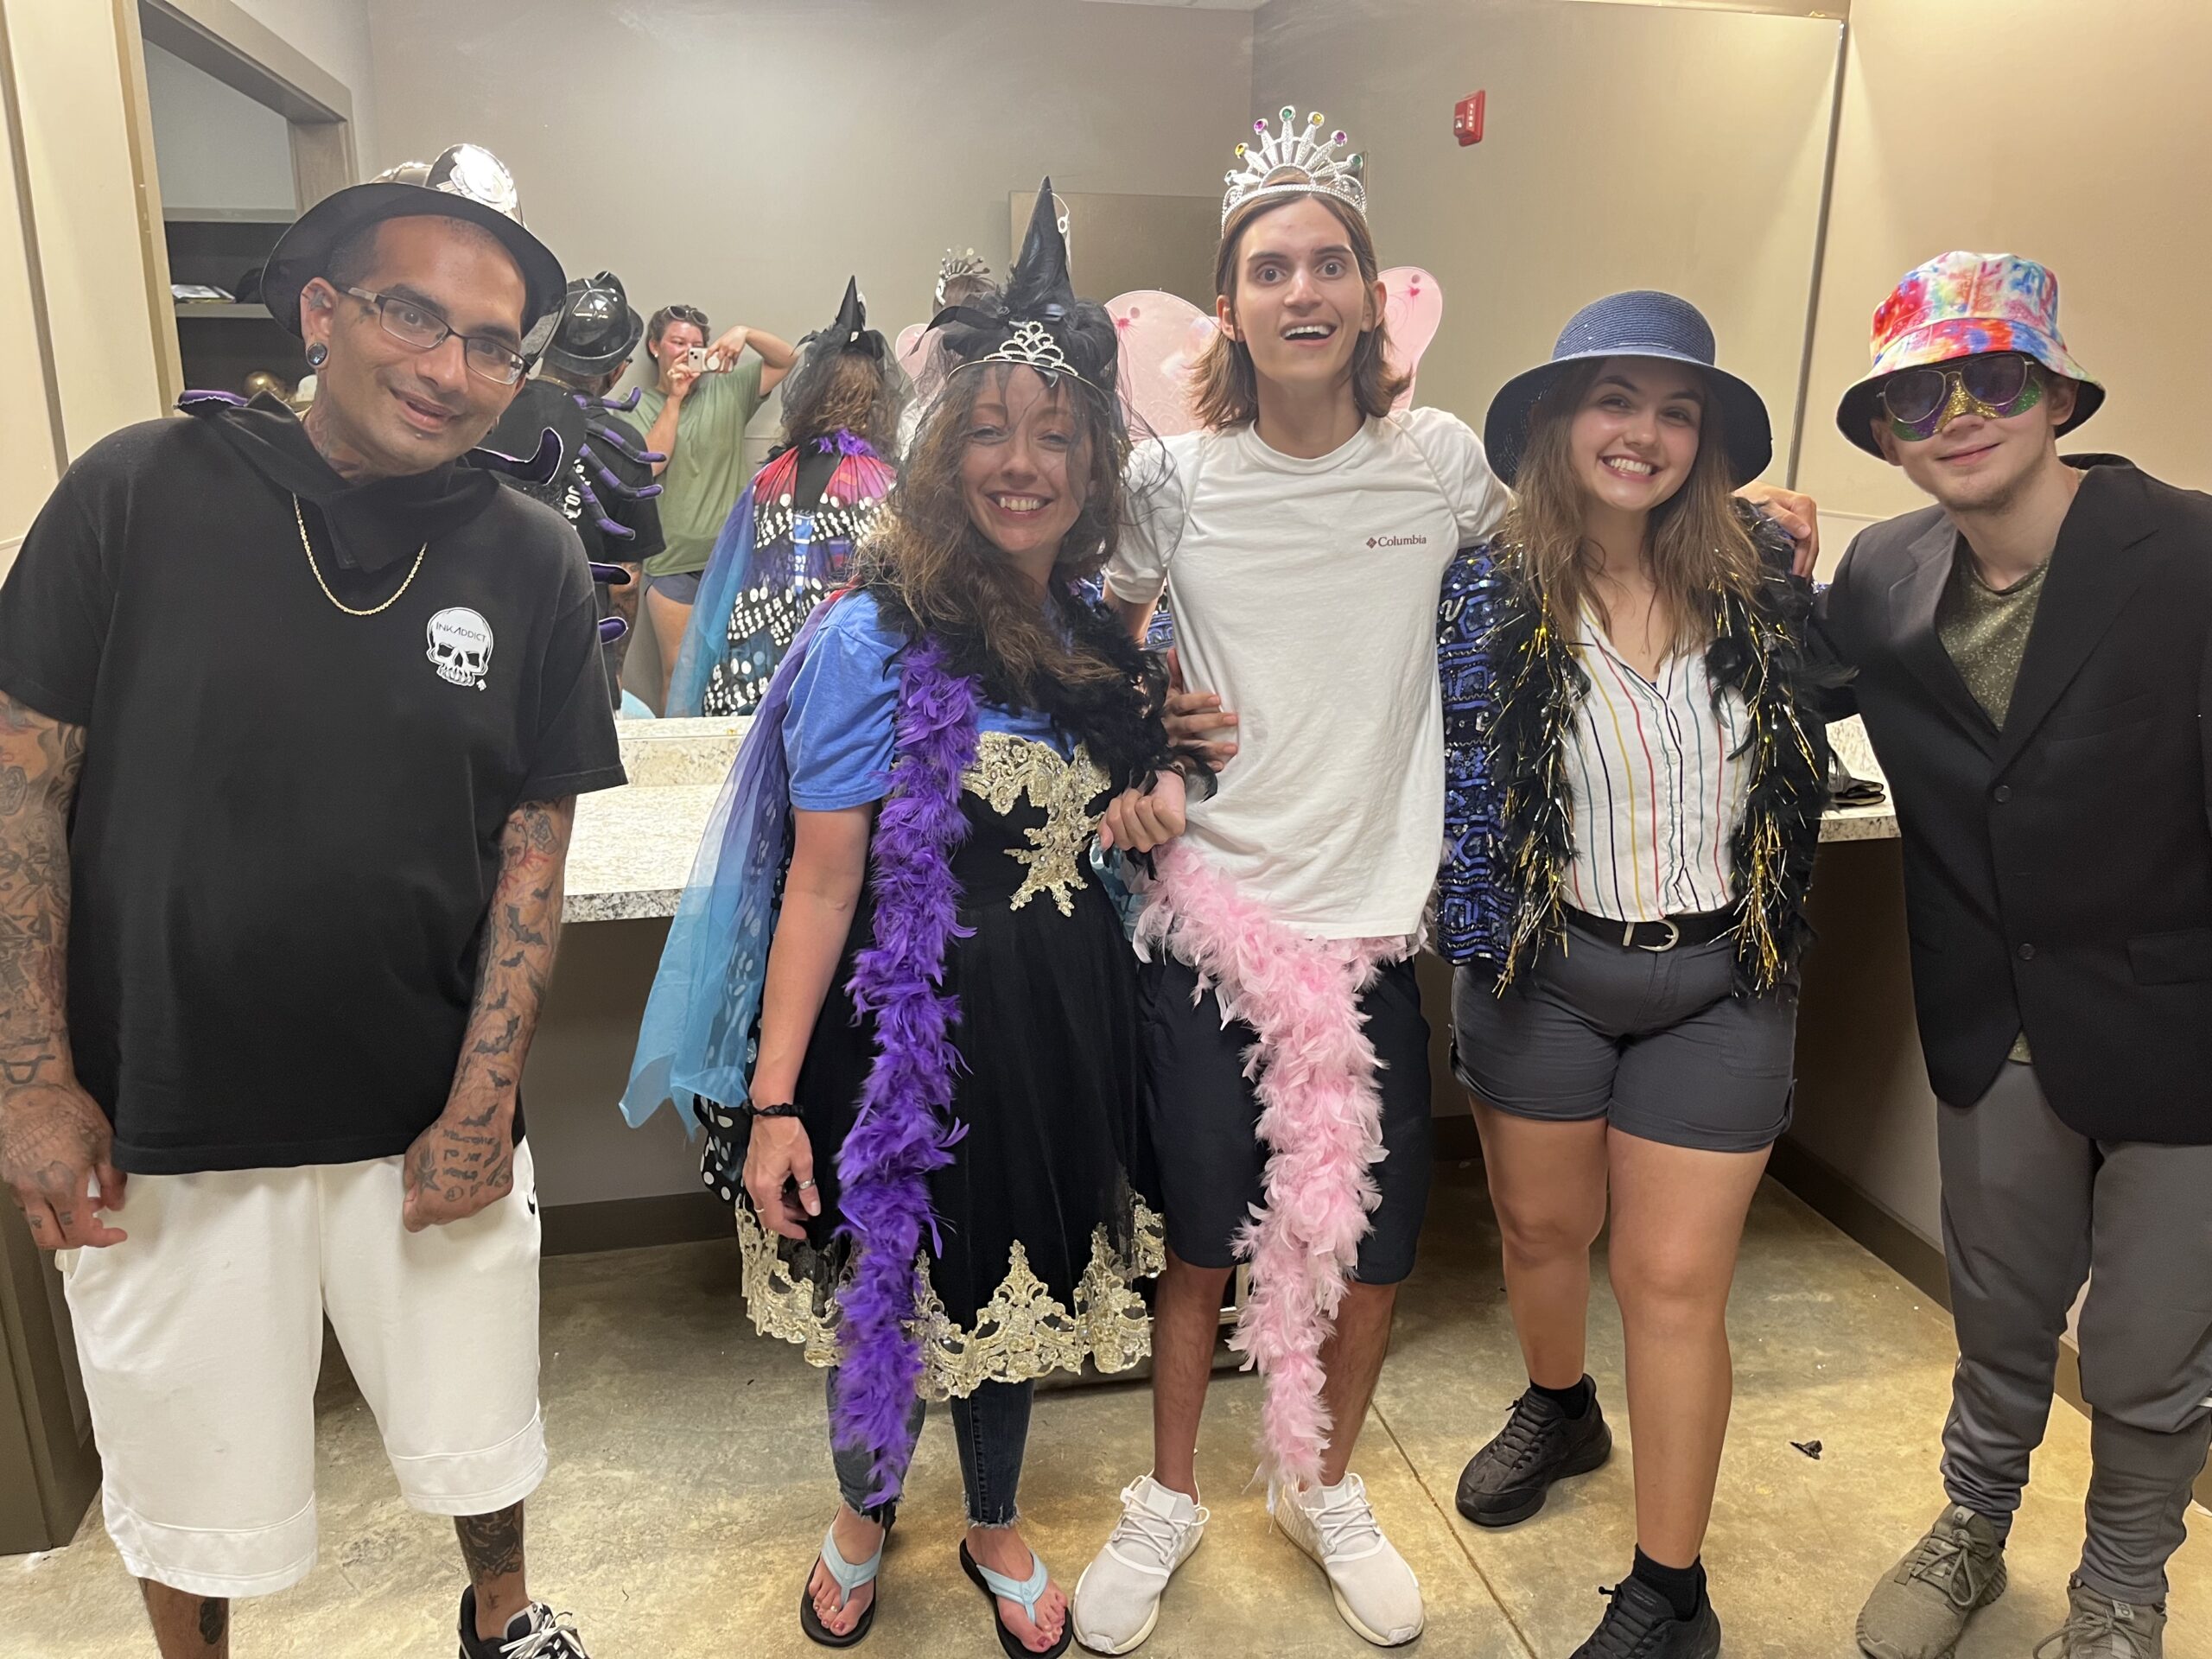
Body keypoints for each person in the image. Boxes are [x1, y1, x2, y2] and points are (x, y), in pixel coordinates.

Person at [0, 144, 619, 1659]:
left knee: (478, 1414)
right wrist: (30, 1080)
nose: (453, 371)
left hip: (423, 1102)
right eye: (417, 316)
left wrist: (485, 1099)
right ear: (323, 313)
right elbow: (22, 793)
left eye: (493, 344)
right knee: (184, 1461)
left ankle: (501, 1614)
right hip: (162, 1110)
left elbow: (532, 848)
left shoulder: (531, 557)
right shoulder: (135, 493)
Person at [620, 182, 1195, 1656]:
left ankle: (994, 1520)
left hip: (1056, 1038)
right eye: (990, 431)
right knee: (882, 1300)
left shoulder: (1096, 638)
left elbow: (1131, 795)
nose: (1023, 463)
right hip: (890, 1049)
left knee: (1011, 1290)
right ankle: (865, 1516)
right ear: (944, 454)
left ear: (1094, 465)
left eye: (1055, 435)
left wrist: (1161, 783)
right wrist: (772, 1105)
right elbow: (821, 883)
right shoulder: (871, 639)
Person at [1071, 107, 1512, 1654]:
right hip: (1217, 924)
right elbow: (1093, 641)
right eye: (1272, 268)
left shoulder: (1438, 462)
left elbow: (1553, 580)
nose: (1303, 289)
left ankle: (1323, 1486)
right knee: (1204, 1240)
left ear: (1374, 296)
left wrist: (1742, 531)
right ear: (1231, 305)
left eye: (1331, 263)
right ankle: (1170, 1495)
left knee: (1374, 1249)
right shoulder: (1174, 480)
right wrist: (1148, 726)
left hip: (1374, 930)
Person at [1818, 253, 2211, 1659]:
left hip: (2180, 1035)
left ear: (2055, 395)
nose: (1960, 417)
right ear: (1886, 435)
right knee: (1998, 1317)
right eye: (1918, 398)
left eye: (1992, 378)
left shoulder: (2189, 557)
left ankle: (2120, 1595)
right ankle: (1972, 1530)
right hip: (1993, 1026)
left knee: (2152, 1351)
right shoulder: (1883, 573)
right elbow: (1771, 679)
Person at [1436, 292, 1836, 1659]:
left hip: (1723, 976)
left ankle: (1672, 1591)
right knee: (1542, 1233)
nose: (1644, 434)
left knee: (1671, 1286)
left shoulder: (1762, 579)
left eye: (1678, 412)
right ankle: (1560, 1407)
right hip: (1542, 968)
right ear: (1557, 422)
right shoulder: (1484, 590)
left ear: (1706, 441)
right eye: (1615, 400)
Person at [665, 277, 906, 716]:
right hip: (838, 670)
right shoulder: (882, 487)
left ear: (812, 394)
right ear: (874, 400)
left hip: (754, 662)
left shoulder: (769, 478)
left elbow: (729, 580)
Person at [486, 268, 666, 710]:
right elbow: (625, 582)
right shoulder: (627, 445)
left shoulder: (486, 413)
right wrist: (615, 669)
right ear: (617, 370)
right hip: (578, 649)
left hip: (484, 631)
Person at [626, 302, 798, 709]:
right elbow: (651, 464)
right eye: (677, 342)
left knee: (733, 666)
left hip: (733, 558)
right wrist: (675, 399)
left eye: (696, 344)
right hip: (671, 561)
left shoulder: (730, 388)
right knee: (679, 673)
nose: (687, 351)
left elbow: (787, 359)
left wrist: (744, 332)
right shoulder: (637, 406)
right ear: (654, 347)